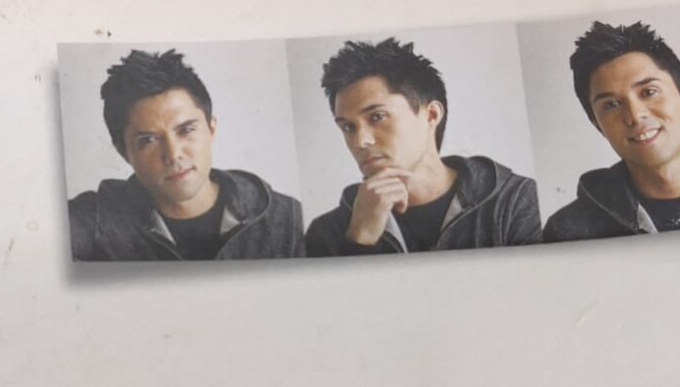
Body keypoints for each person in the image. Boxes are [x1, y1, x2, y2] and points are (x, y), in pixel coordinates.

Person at [305, 37, 540, 255]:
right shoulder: (327, 233)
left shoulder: (515, 201)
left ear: (431, 115)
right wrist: (359, 242)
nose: (360, 141)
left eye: (377, 117)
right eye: (348, 127)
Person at [68, 49, 304, 261]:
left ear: (211, 129)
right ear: (123, 151)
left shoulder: (287, 218)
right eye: (149, 140)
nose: (173, 155)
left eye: (186, 130)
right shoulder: (92, 221)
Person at [543, 20, 680, 241]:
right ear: (597, 125)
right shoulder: (568, 232)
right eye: (612, 105)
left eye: (649, 92)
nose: (634, 115)